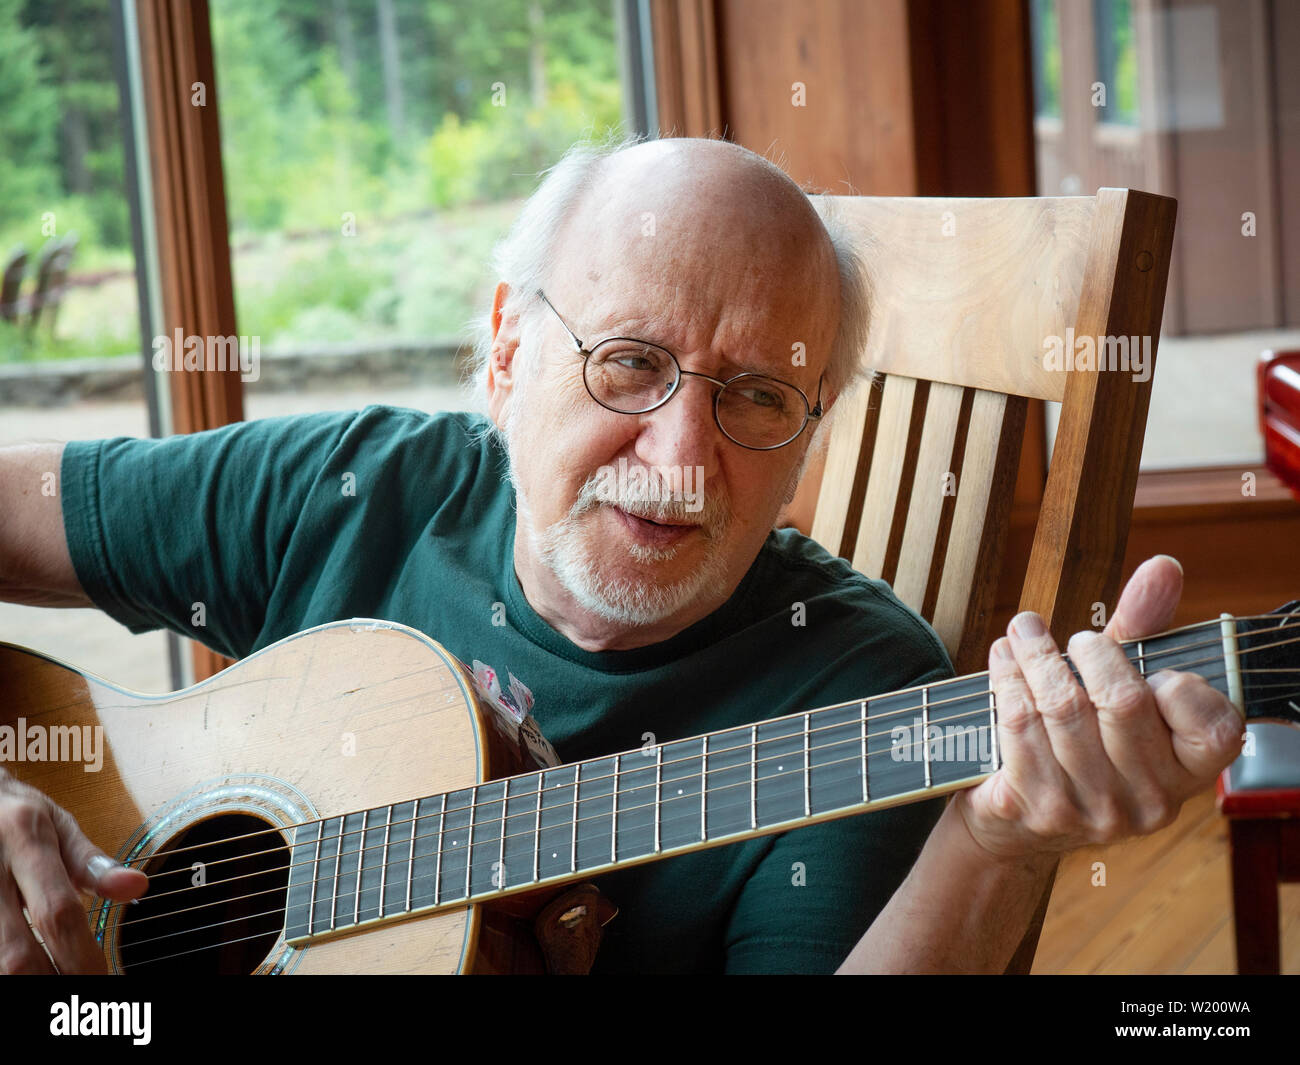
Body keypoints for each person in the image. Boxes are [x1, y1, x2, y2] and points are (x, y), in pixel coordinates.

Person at [0, 137, 1243, 974]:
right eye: (631, 363)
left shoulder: (864, 697)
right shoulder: (347, 490)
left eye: (757, 396)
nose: (684, 456)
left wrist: (997, 841)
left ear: (813, 432)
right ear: (505, 350)